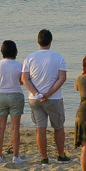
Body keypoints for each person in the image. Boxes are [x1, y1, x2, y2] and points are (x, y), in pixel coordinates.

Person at [22, 29, 71, 164]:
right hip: (54, 98)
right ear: (50, 41)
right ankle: (60, 155)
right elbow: (62, 78)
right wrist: (49, 93)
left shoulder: (29, 58)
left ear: (38, 42)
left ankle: (44, 157)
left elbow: (25, 79)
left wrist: (36, 93)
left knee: (40, 128)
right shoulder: (58, 57)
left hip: (35, 99)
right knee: (58, 127)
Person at [0, 40, 26, 164]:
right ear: (15, 51)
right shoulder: (19, 65)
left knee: (0, 128)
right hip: (15, 94)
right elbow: (22, 81)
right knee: (15, 128)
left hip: (0, 95)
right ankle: (16, 156)